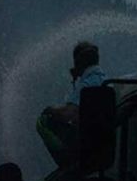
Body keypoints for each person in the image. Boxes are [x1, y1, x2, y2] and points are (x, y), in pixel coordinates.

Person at [36, 41, 106, 169]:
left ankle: (68, 162)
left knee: (43, 121)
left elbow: (71, 113)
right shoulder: (104, 80)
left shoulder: (86, 84)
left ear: (78, 63)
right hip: (102, 138)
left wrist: (51, 110)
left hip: (86, 139)